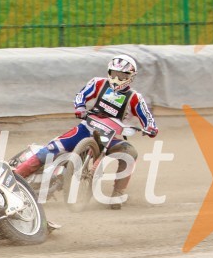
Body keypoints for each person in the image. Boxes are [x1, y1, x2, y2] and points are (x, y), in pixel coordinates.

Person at [12, 54, 158, 209]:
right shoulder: (98, 83)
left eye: (122, 75)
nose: (117, 78)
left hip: (111, 137)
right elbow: (81, 95)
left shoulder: (135, 97)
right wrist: (80, 107)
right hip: (86, 128)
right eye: (114, 74)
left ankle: (118, 193)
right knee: (48, 150)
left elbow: (147, 117)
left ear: (131, 77)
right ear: (109, 72)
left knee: (130, 154)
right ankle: (13, 180)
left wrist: (150, 128)